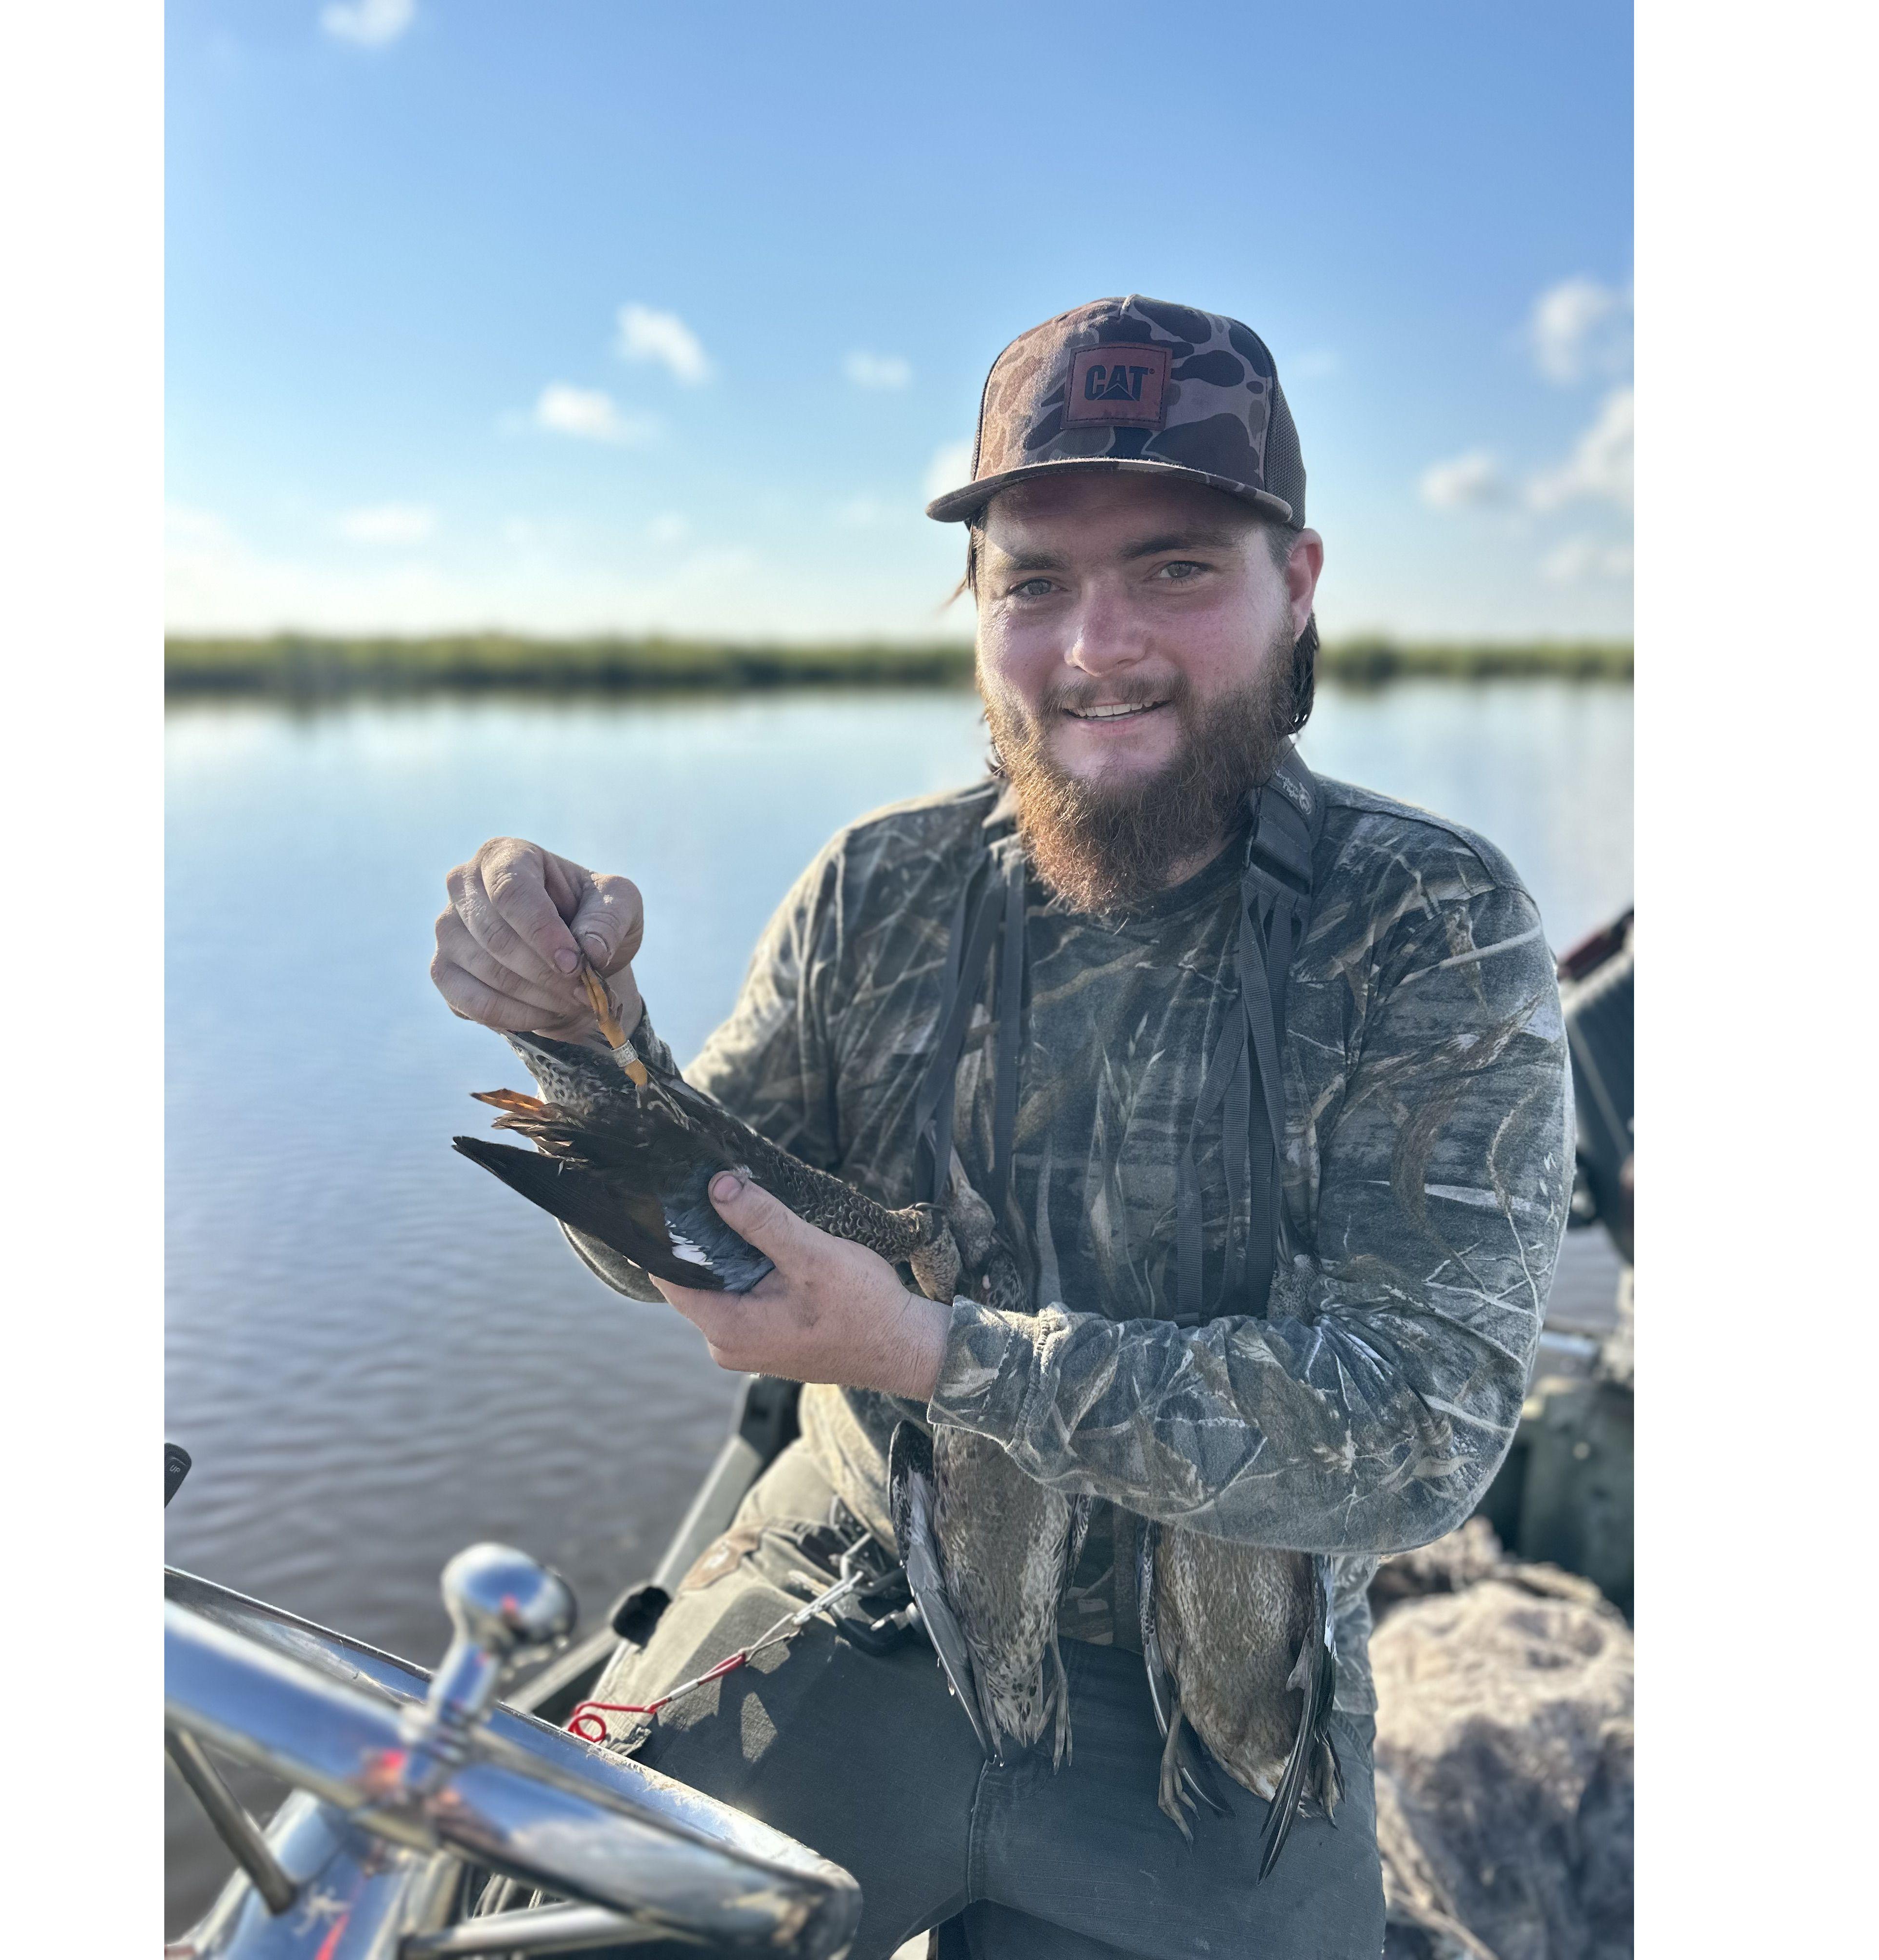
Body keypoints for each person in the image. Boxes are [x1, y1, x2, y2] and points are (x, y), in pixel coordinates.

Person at [430, 296, 1573, 1960]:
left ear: (1299, 583)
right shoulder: (875, 887)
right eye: (1035, 582)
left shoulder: (1431, 924)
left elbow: (1418, 1433)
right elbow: (695, 1235)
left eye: (1175, 568)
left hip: (1215, 1718)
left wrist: (931, 1353)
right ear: (979, 604)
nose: (1097, 648)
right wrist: (578, 1032)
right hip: (846, 1588)